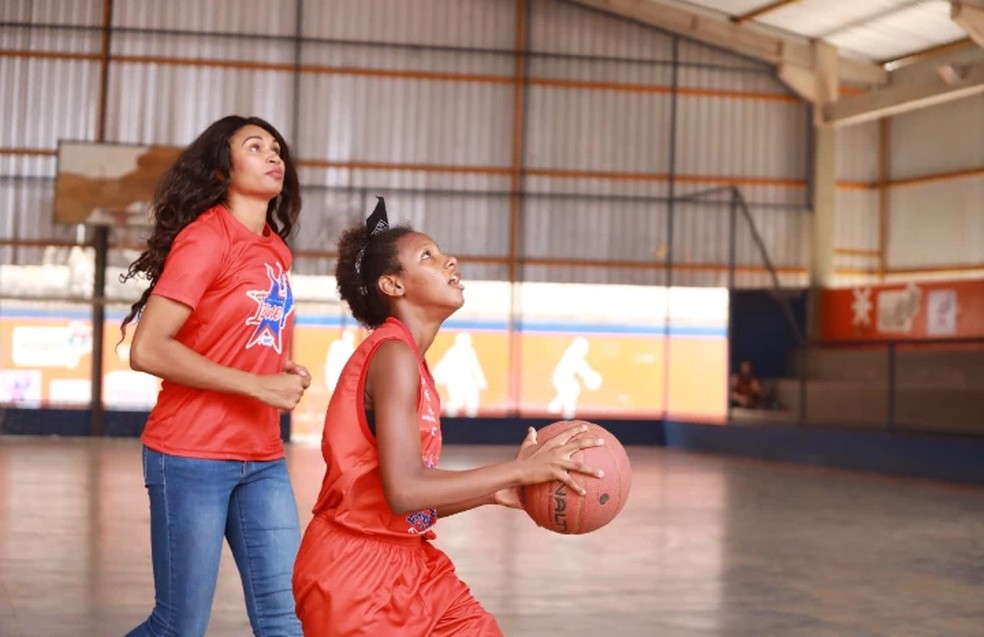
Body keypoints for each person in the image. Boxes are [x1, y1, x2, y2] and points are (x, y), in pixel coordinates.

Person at [292, 198, 606, 636]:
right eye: (428, 256)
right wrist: (517, 468)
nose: (449, 260)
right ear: (393, 285)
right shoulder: (393, 354)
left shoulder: (408, 358)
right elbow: (404, 490)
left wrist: (500, 491)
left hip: (412, 561)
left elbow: (408, 496)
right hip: (356, 573)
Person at [119, 115, 309, 637]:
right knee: (178, 627)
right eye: (255, 147)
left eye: (277, 148)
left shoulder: (275, 250)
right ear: (223, 170)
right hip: (191, 455)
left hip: (262, 457)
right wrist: (257, 385)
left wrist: (280, 369)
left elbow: (247, 335)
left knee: (286, 621)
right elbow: (148, 349)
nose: (274, 156)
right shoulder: (207, 239)